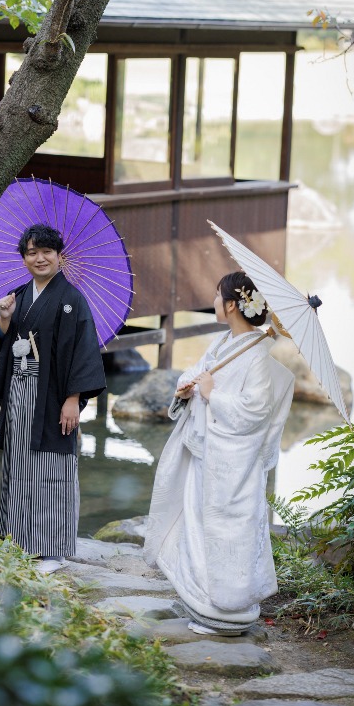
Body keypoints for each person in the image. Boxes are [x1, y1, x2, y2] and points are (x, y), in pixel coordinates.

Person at [144, 271, 294, 635]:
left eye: (216, 296)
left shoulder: (257, 354)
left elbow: (255, 411)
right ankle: (202, 602)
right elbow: (200, 373)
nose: (212, 302)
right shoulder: (225, 342)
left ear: (231, 305)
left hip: (232, 462)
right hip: (206, 451)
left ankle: (227, 611)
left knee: (226, 530)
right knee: (197, 526)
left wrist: (213, 394)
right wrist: (186, 389)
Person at [0, 223, 106, 573]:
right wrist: (4, 319)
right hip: (19, 392)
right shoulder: (18, 296)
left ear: (59, 256)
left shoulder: (72, 299)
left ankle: (52, 552)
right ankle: (18, 539)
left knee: (52, 468)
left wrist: (73, 399)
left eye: (47, 251)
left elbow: (83, 351)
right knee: (19, 464)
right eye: (32, 252)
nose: (40, 258)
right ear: (24, 258)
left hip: (53, 395)